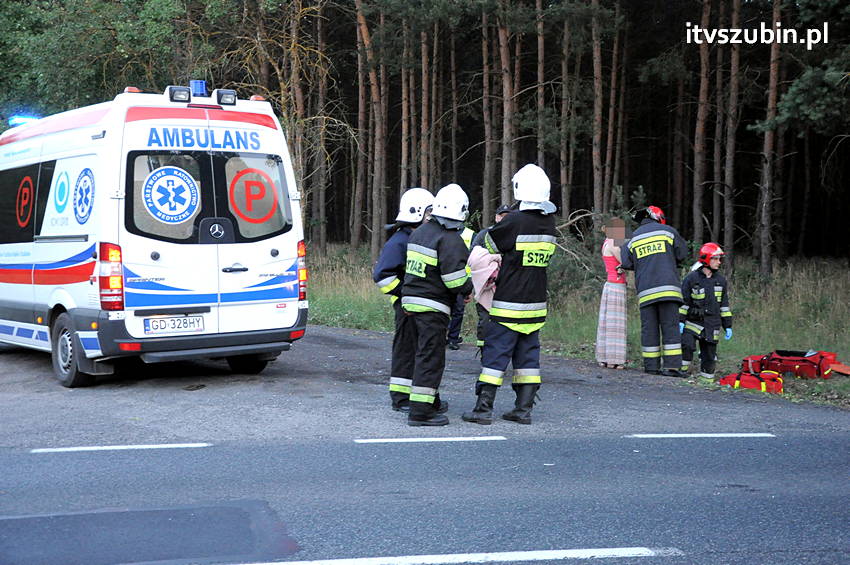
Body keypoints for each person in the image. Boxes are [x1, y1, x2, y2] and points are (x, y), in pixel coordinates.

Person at [462, 164, 557, 425]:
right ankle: (523, 410)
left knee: (495, 356)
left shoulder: (514, 220)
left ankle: (482, 410)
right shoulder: (549, 223)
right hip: (536, 305)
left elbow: (490, 243)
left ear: (520, 188)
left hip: (508, 304)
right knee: (528, 359)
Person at [402, 183, 473, 426]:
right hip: (432, 307)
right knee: (431, 359)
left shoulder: (420, 232)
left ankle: (428, 402)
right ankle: (420, 413)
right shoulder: (451, 239)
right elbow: (454, 279)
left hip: (410, 304)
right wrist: (468, 288)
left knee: (421, 356)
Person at [372, 188, 434, 412]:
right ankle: (401, 398)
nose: (431, 217)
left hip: (417, 305)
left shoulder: (414, 238)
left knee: (420, 351)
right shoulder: (399, 241)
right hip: (407, 307)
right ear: (417, 213)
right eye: (428, 212)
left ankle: (420, 397)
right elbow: (382, 275)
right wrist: (404, 294)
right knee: (406, 352)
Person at [620, 205, 688, 377]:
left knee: (649, 329)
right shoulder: (668, 232)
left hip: (646, 291)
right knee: (670, 327)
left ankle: (651, 367)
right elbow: (682, 254)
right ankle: (672, 367)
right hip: (668, 290)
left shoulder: (633, 239)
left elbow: (626, 263)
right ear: (659, 217)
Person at [679, 242, 733, 380]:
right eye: (715, 259)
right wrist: (680, 321)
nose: (719, 262)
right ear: (706, 259)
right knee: (686, 345)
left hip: (712, 324)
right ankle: (680, 373)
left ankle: (706, 381)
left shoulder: (720, 280)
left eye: (719, 259)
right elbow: (684, 302)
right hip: (693, 322)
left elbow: (724, 305)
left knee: (709, 355)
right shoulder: (691, 279)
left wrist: (727, 325)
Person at [470, 204, 513, 352]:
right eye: (502, 216)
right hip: (486, 286)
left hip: (507, 285)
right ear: (496, 217)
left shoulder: (515, 234)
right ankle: (484, 351)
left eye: (508, 216)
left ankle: (499, 352)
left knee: (504, 321)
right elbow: (473, 257)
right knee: (485, 320)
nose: (504, 219)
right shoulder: (483, 235)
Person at [596, 217, 628, 370]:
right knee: (616, 323)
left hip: (610, 284)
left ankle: (605, 357)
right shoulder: (614, 244)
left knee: (607, 323)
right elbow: (625, 261)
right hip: (617, 285)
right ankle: (615, 359)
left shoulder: (606, 243)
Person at [446, 226, 475, 350]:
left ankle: (453, 338)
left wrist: (470, 284)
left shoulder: (471, 234)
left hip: (463, 278)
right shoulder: (444, 230)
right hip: (445, 276)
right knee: (443, 310)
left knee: (458, 310)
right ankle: (443, 336)